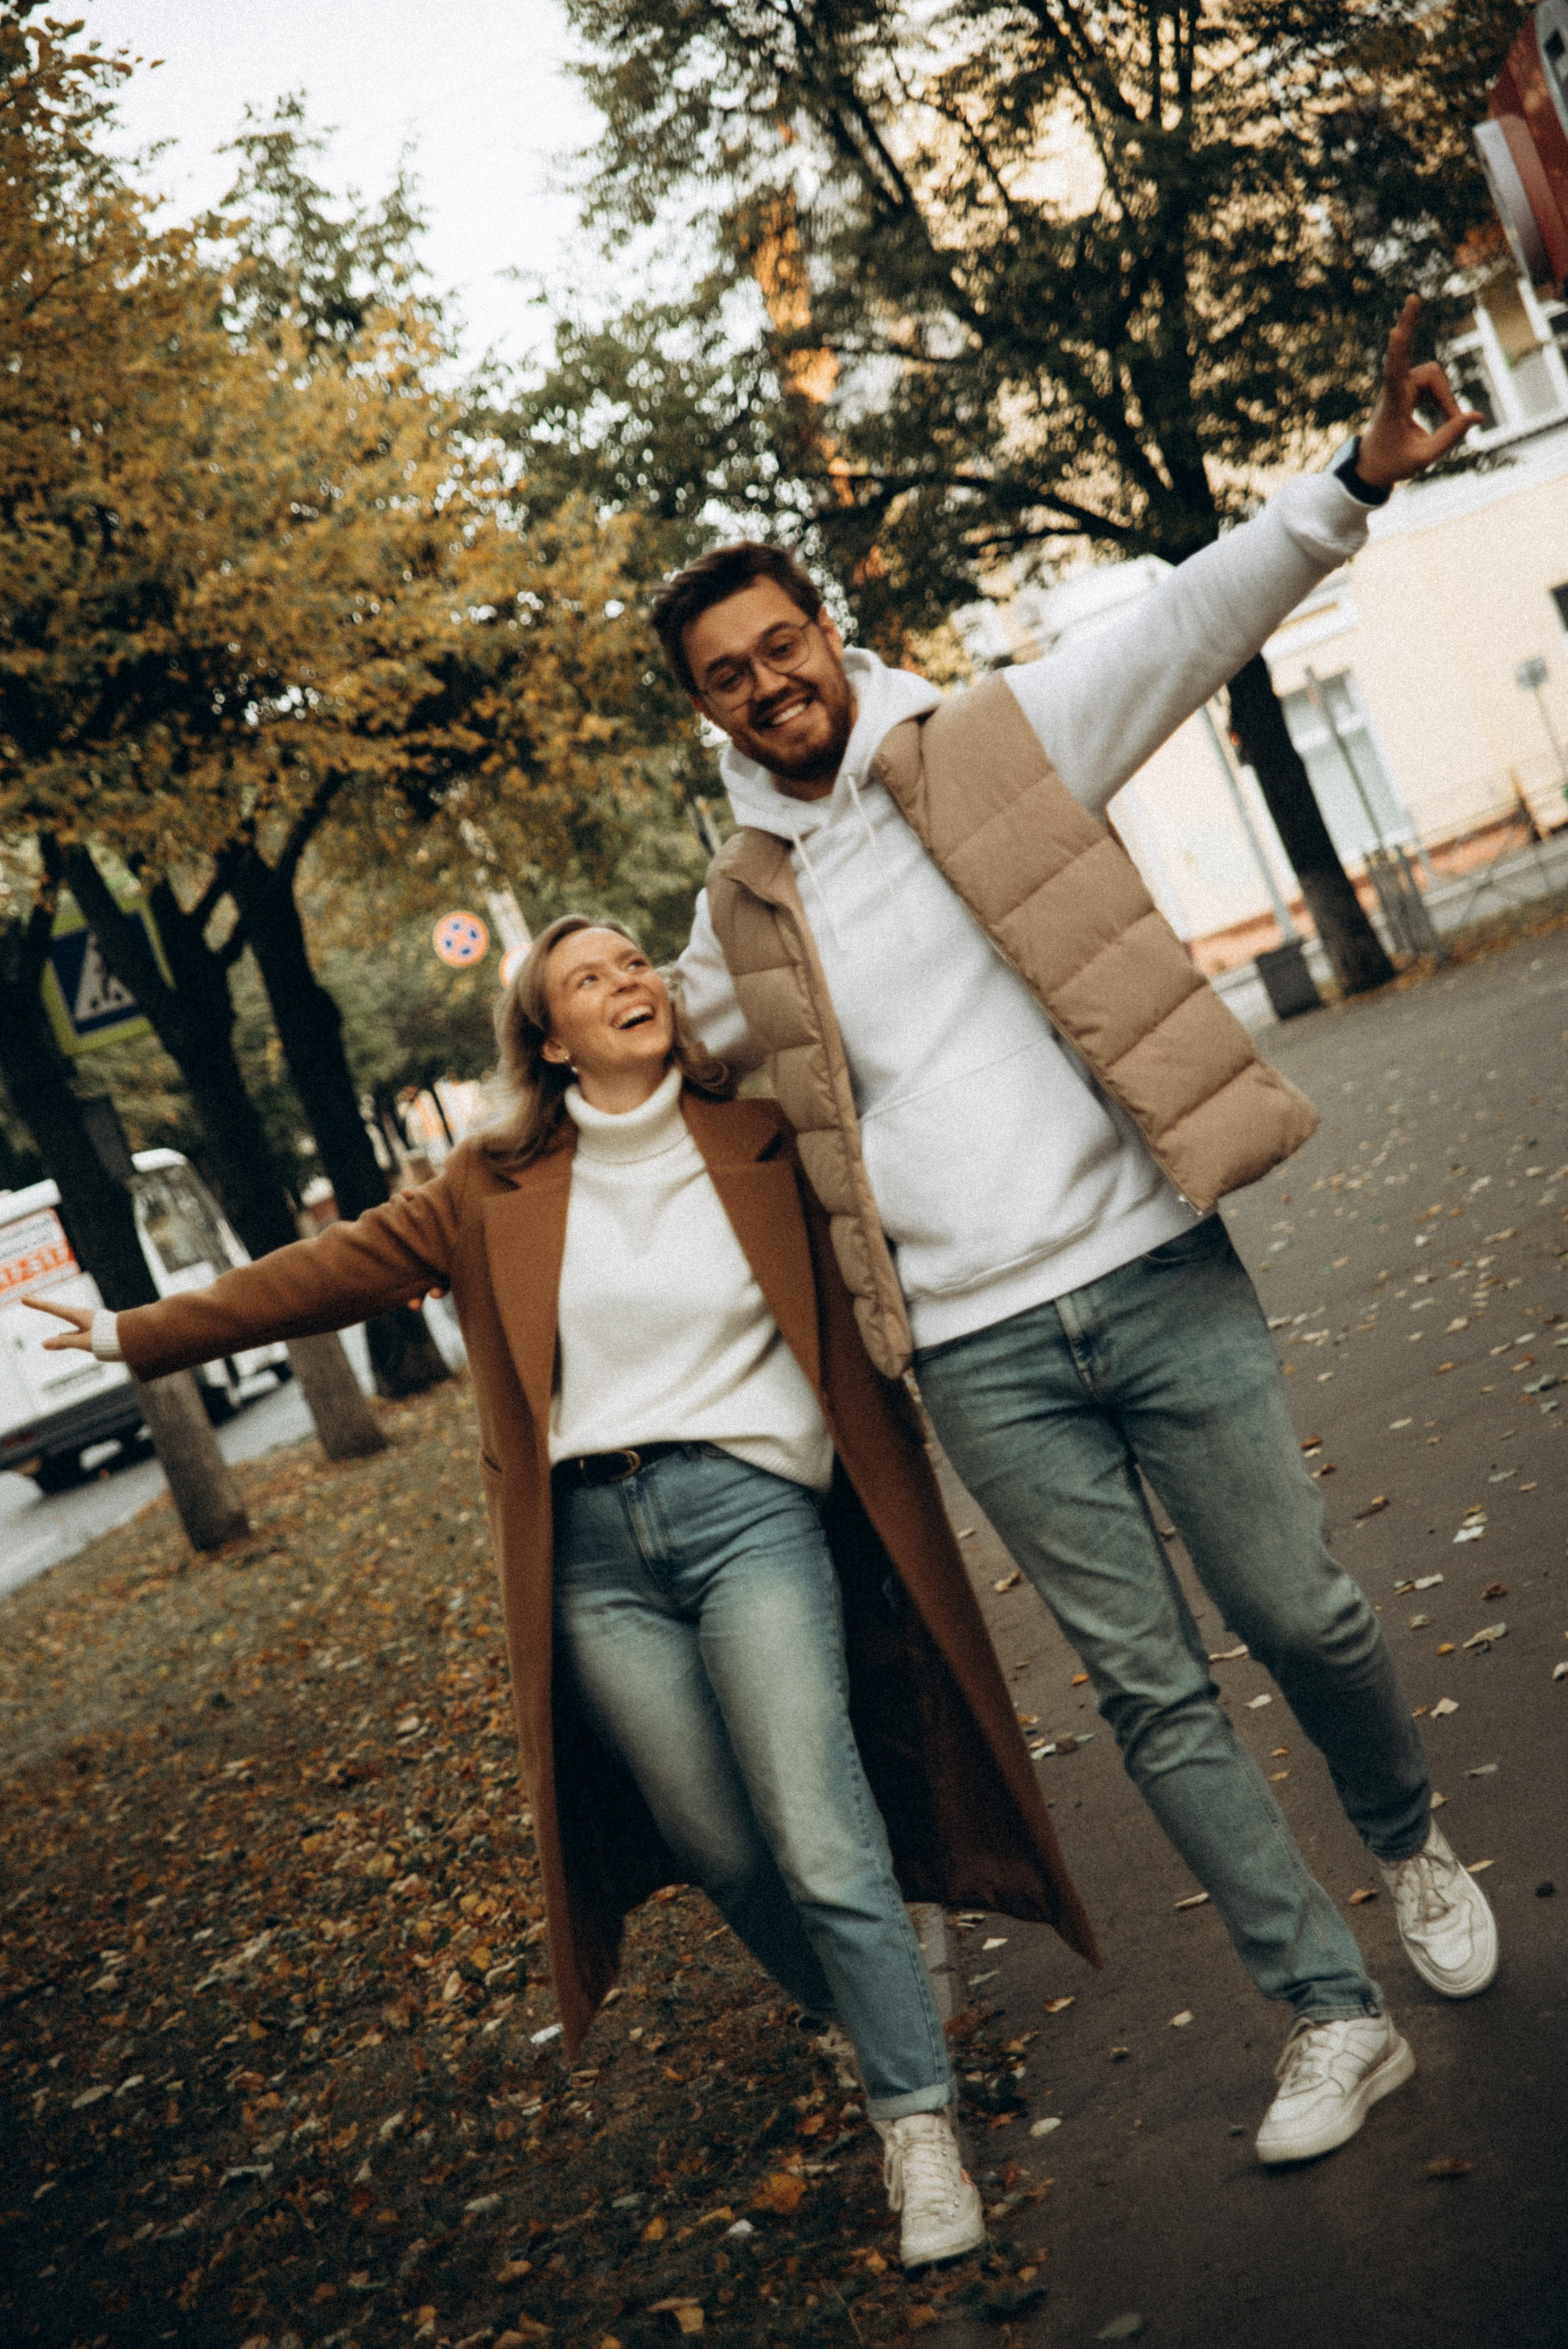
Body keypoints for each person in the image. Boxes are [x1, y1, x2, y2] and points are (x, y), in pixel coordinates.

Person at [656, 297, 1496, 2166]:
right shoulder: (733, 914)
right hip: (975, 1352)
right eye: (728, 673)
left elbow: (1187, 622)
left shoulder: (994, 741)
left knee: (1305, 1608)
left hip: (1152, 1267)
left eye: (783, 643)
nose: (768, 684)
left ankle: (1408, 1832)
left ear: (827, 638)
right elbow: (645, 1057)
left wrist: (1356, 477)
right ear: (704, 707)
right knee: (1152, 1690)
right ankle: (1326, 2013)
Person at [30, 914, 1096, 2269]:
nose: (628, 981)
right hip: (589, 1556)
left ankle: (914, 2122)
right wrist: (137, 1329)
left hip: (749, 1514)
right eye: (588, 978)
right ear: (547, 1037)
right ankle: (866, 2011)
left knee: (819, 1827)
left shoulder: (763, 1139)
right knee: (714, 1837)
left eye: (637, 963)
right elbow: (332, 1270)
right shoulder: (491, 1185)